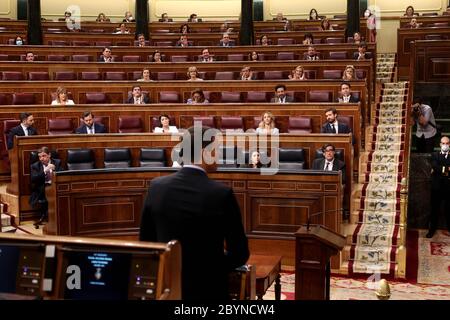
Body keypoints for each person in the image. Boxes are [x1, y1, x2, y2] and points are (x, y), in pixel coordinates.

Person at [139, 125, 249, 300]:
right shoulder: (221, 194)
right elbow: (240, 253)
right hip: (208, 290)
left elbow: (146, 244)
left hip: (167, 288)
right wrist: (211, 268)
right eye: (217, 149)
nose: (219, 155)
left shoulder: (156, 187)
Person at [30, 146, 63, 228]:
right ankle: (49, 218)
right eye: (39, 156)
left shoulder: (57, 162)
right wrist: (45, 170)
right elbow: (33, 178)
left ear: (49, 155)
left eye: (44, 156)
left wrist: (55, 170)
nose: (41, 159)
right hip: (42, 189)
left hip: (56, 187)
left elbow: (63, 174)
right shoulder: (35, 166)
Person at [427, 136, 450, 238]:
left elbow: (437, 169)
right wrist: (447, 169)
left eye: (447, 143)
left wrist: (439, 170)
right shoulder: (434, 155)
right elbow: (435, 167)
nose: (445, 145)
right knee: (434, 209)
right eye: (443, 143)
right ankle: (431, 230)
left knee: (448, 209)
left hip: (448, 188)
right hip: (436, 187)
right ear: (440, 144)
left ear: (449, 145)